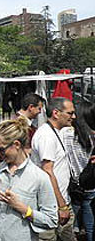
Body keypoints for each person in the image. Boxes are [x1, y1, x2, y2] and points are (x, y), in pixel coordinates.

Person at [0, 117, 58, 240]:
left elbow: (51, 219)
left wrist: (23, 209)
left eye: (0, 149)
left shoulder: (39, 177)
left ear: (16, 145)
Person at [31, 97, 76, 241]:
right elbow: (47, 171)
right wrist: (61, 206)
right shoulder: (46, 136)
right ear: (56, 113)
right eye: (70, 113)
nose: (73, 117)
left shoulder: (56, 131)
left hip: (60, 201)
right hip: (52, 205)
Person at [63, 102, 95, 241]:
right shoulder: (91, 137)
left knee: (73, 215)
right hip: (90, 182)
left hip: (74, 182)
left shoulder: (66, 134)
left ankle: (74, 233)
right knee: (90, 218)